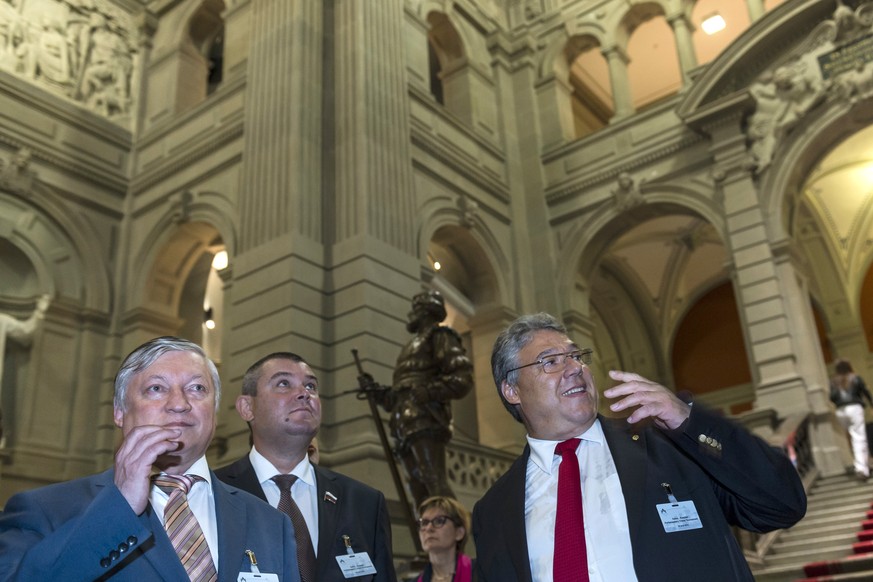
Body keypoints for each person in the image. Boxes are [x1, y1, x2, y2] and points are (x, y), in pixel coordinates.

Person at [472, 313, 807, 582]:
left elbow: (782, 503)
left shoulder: (671, 448)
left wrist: (689, 421)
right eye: (550, 361)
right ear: (511, 390)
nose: (574, 367)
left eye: (576, 356)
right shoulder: (493, 513)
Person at [0, 336, 300, 581]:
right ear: (119, 412)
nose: (180, 404)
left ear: (214, 410)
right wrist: (119, 506)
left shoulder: (271, 523)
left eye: (197, 389)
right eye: (156, 389)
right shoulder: (44, 510)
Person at [215, 351, 398, 582]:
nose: (304, 394)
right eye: (283, 384)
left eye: (311, 386)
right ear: (247, 407)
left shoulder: (364, 503)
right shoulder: (212, 494)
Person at [371, 290, 473, 509]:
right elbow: (399, 395)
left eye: (416, 310)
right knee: (416, 486)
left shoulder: (441, 337)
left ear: (427, 312)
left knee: (433, 480)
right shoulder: (411, 346)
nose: (411, 314)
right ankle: (428, 537)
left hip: (426, 418)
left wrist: (431, 391)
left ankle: (449, 534)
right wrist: (377, 392)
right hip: (403, 422)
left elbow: (462, 377)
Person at [829, 358, 873, 480]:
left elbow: (831, 397)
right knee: (859, 437)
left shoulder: (833, 381)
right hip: (855, 408)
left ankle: (857, 462)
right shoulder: (855, 377)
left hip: (841, 410)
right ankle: (861, 469)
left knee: (847, 437)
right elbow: (865, 392)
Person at [415, 496, 475, 582]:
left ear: (459, 533)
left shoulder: (482, 573)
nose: (428, 528)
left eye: (439, 521)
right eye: (424, 523)